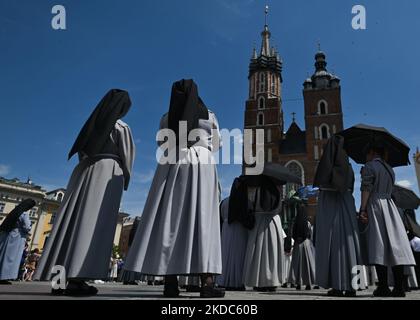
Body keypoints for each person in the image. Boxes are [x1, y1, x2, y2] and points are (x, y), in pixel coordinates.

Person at [124, 79, 224, 298]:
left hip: (172, 162)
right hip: (203, 163)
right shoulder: (210, 115)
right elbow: (218, 144)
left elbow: (161, 143)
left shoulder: (166, 118)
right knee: (203, 222)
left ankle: (170, 283)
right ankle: (207, 283)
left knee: (170, 220)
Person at [34, 89, 135, 296]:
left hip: (82, 172)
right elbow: (127, 155)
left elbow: (81, 152)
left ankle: (59, 281)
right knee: (93, 226)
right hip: (107, 172)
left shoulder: (92, 124)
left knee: (70, 224)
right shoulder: (120, 127)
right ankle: (77, 279)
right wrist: (125, 176)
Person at [359, 142, 416, 297]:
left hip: (376, 205)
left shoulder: (370, 166)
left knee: (378, 244)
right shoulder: (389, 169)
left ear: (371, 152)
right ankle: (399, 287)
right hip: (390, 206)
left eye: (366, 154)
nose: (365, 157)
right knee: (395, 245)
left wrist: (363, 209)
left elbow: (366, 188)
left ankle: (383, 286)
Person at [313, 135, 362, 297]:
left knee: (333, 246)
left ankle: (337, 284)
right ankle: (355, 285)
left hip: (331, 209)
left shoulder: (328, 167)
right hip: (347, 207)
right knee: (351, 245)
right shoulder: (349, 167)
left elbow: (324, 185)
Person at [243, 176, 285, 292]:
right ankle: (272, 281)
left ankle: (258, 281)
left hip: (259, 222)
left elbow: (251, 206)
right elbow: (279, 208)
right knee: (272, 253)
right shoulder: (277, 192)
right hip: (273, 223)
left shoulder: (256, 191)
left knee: (258, 253)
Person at [217, 177, 254, 291]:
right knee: (240, 256)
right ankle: (239, 282)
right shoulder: (248, 203)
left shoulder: (224, 202)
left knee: (226, 256)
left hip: (227, 231)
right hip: (241, 231)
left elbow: (221, 219)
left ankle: (224, 281)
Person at [288, 206, 316, 291]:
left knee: (297, 265)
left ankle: (298, 284)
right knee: (307, 265)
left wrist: (297, 240)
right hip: (306, 244)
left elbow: (292, 234)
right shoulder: (307, 223)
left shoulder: (295, 223)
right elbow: (310, 234)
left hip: (297, 245)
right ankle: (308, 284)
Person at [0, 211, 32, 284]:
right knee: (11, 259)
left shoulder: (14, 213)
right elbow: (26, 226)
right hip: (17, 237)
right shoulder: (24, 214)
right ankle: (4, 277)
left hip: (8, 236)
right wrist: (30, 226)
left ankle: (2, 276)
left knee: (4, 257)